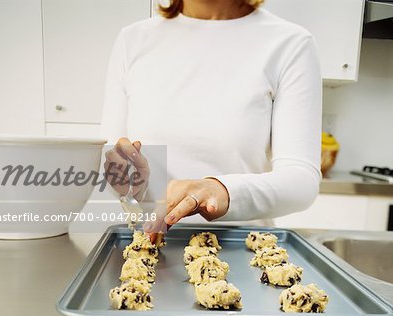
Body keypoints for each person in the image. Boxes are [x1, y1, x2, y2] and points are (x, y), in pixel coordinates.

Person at [101, 0, 322, 238]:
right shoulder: (132, 40)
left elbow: (301, 181)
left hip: (246, 253)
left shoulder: (290, 43)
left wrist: (221, 189)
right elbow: (113, 164)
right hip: (149, 250)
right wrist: (128, 185)